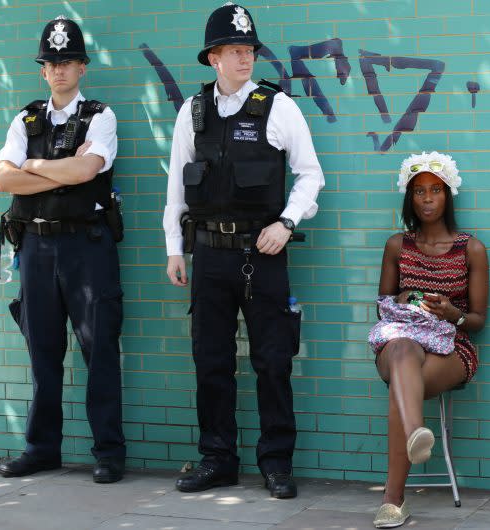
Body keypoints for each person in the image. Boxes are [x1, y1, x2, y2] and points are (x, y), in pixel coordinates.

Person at [164, 2, 324, 499]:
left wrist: (286, 221)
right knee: (210, 361)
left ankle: (276, 463)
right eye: (234, 51)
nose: (244, 59)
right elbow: (175, 186)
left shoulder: (277, 107)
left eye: (249, 49)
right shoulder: (192, 113)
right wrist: (175, 249)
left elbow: (311, 174)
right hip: (210, 255)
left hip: (264, 254)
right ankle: (217, 459)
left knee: (272, 361)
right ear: (213, 57)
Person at [0, 16, 126, 484]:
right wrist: (53, 165)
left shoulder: (101, 116)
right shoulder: (25, 119)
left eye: (68, 61)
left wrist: (35, 166)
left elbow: (87, 173)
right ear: (42, 71)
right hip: (35, 247)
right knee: (42, 353)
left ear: (82, 67)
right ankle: (41, 448)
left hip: (86, 247)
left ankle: (109, 453)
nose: (60, 70)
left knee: (100, 353)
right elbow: (4, 179)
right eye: (52, 63)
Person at [371, 152, 488, 528]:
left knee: (401, 388)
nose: (426, 198)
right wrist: (404, 300)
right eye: (419, 191)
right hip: (400, 340)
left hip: (451, 347)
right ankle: (415, 431)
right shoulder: (396, 246)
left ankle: (393, 500)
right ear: (409, 197)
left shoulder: (471, 249)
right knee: (404, 350)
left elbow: (478, 321)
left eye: (435, 190)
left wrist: (452, 313)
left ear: (448, 195)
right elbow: (382, 308)